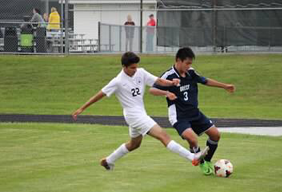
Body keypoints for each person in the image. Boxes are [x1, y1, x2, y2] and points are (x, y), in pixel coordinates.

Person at [72, 52, 208, 171]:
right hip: (133, 115)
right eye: (132, 68)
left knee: (134, 144)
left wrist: (171, 83)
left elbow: (158, 80)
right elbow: (99, 94)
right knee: (164, 136)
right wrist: (82, 108)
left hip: (140, 113)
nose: (135, 70)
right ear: (124, 67)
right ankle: (192, 157)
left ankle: (108, 161)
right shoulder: (117, 81)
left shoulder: (141, 72)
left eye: (136, 66)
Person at [150, 47, 236, 176]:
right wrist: (167, 93)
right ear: (178, 60)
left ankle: (206, 160)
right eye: (187, 63)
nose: (189, 66)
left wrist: (225, 86)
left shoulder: (191, 73)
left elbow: (205, 81)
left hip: (194, 113)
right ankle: (200, 163)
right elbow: (152, 90)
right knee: (193, 139)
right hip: (179, 116)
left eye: (190, 63)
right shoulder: (169, 75)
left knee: (215, 135)